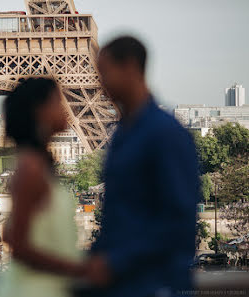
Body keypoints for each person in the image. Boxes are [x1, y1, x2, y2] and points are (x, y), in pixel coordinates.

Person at [84, 36, 200, 297]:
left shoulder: (166, 134)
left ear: (131, 68)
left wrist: (113, 261)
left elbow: (180, 223)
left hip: (155, 282)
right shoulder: (124, 135)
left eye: (105, 73)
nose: (100, 84)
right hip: (128, 282)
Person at [0, 78, 94, 297]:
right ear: (39, 111)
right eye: (57, 101)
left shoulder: (35, 164)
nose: (65, 107)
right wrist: (80, 269)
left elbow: (9, 232)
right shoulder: (31, 167)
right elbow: (17, 243)